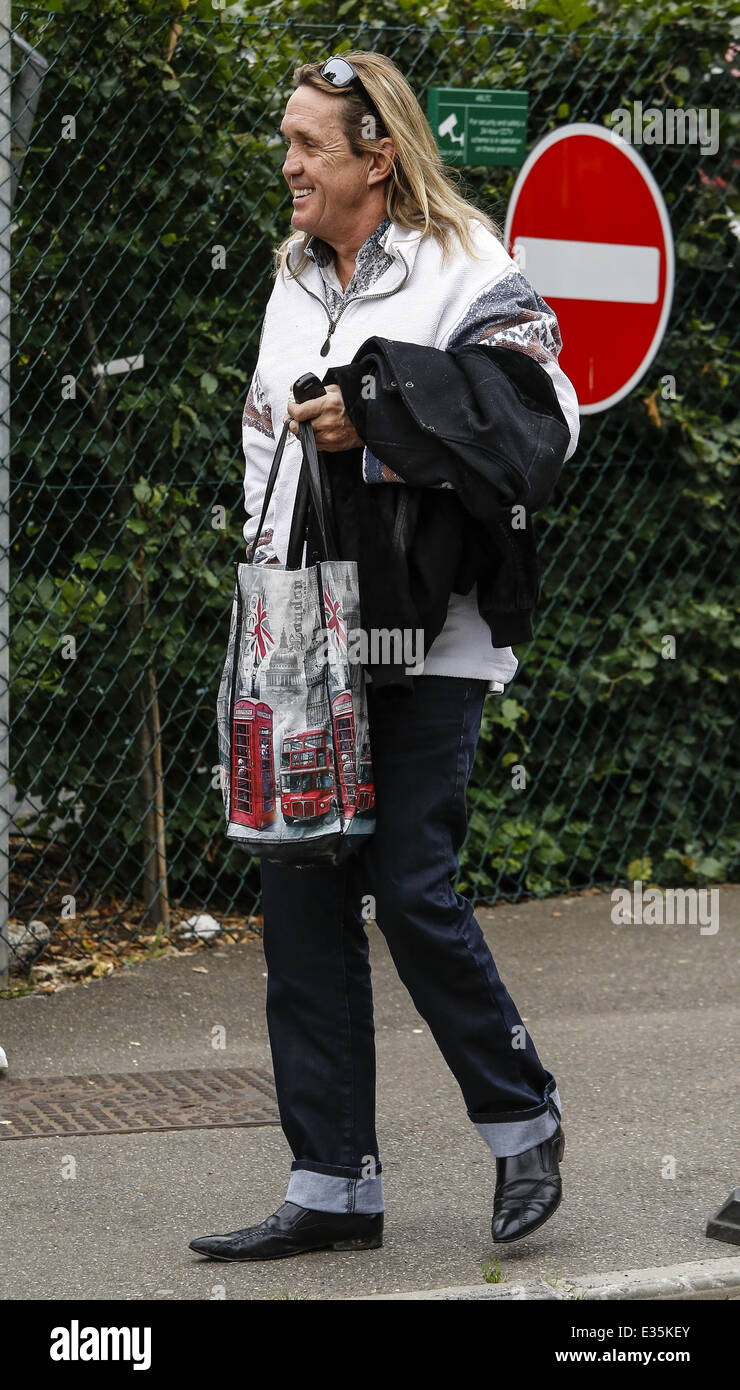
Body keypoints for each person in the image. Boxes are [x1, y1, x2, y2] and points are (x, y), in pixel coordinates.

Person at [190, 51, 579, 1264]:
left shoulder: (470, 267)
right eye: (287, 143)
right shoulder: (291, 278)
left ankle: (522, 1119)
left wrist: (381, 414)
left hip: (429, 633)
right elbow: (265, 444)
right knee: (302, 895)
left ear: (377, 155)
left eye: (310, 145)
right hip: (305, 636)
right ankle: (333, 1185)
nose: (290, 165)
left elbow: (541, 424)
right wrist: (268, 618)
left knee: (409, 888)